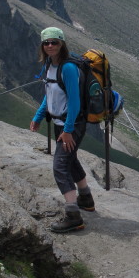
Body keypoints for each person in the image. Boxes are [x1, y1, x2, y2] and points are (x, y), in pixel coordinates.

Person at [30, 27, 95, 233]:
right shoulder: (50, 65)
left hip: (71, 125)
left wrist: (67, 130)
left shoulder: (67, 68)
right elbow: (50, 96)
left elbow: (74, 102)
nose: (50, 46)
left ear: (62, 44)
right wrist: (38, 116)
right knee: (70, 158)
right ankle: (85, 198)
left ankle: (73, 216)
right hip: (62, 124)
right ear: (42, 45)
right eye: (46, 42)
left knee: (60, 167)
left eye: (54, 42)